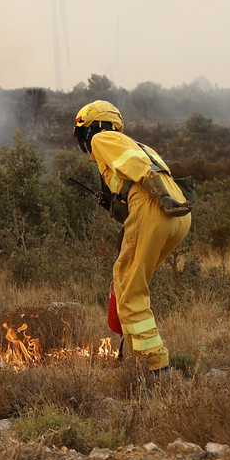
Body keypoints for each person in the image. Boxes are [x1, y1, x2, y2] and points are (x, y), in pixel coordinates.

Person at [73, 100, 191, 375]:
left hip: (156, 205)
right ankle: (138, 353)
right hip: (179, 214)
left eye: (84, 134)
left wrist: (159, 196)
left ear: (94, 127)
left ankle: (155, 367)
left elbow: (138, 169)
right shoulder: (139, 144)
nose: (86, 143)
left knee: (129, 289)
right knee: (130, 281)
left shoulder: (104, 138)